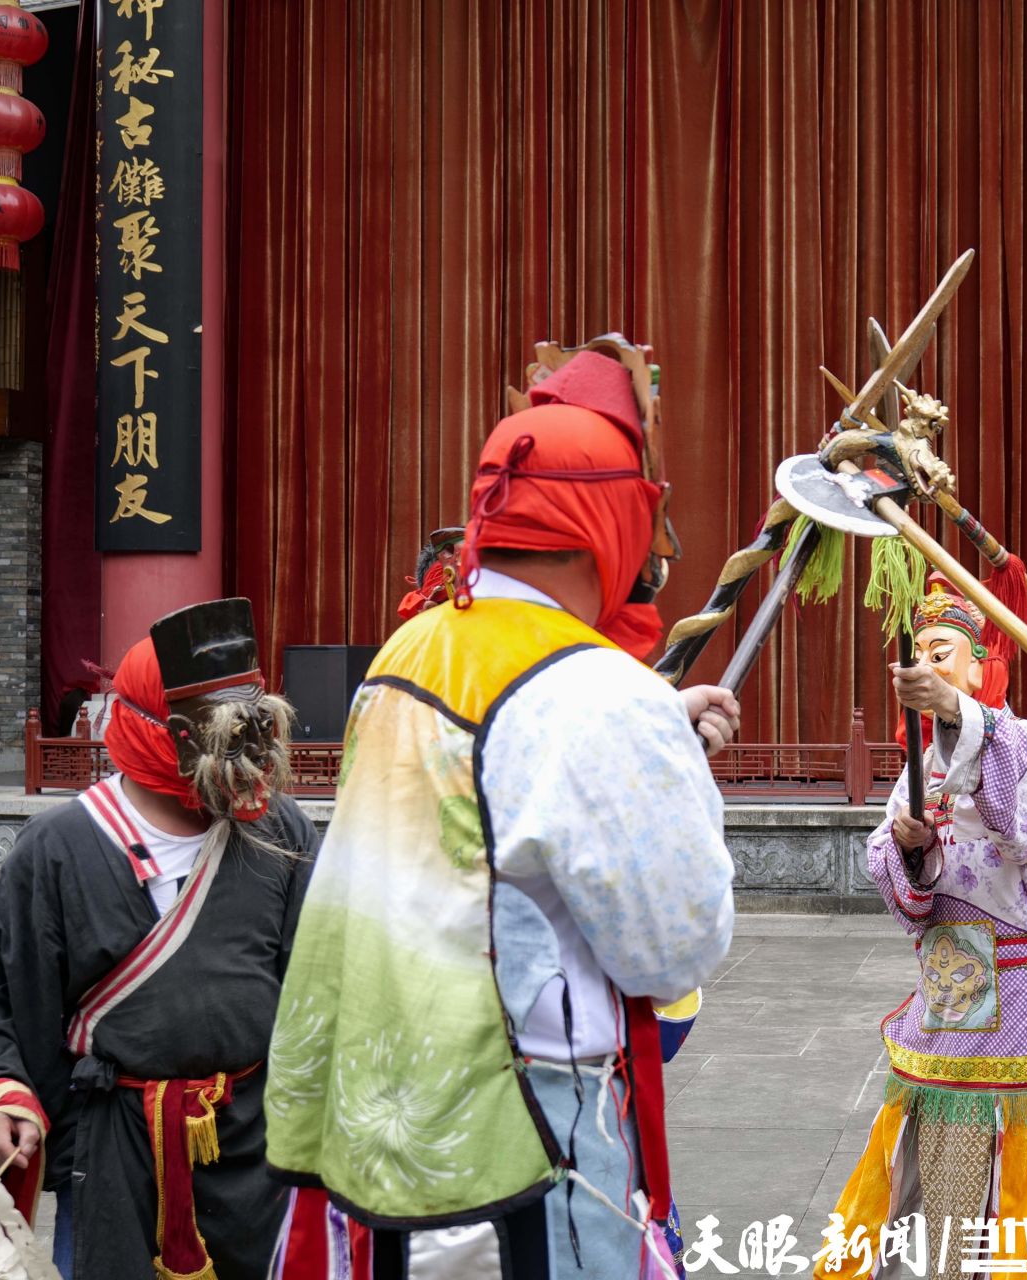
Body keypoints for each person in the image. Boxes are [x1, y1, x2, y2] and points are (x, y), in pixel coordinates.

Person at [264, 339, 739, 1279]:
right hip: (524, 1143)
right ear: (613, 520)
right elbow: (674, 944)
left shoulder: (407, 653)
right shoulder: (600, 692)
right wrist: (662, 766)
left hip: (384, 1118)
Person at [0, 598, 317, 1279]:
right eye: (223, 734)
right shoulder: (59, 847)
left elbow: (318, 991)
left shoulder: (280, 832)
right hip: (111, 1145)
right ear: (172, 734)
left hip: (253, 1143)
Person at [819, 576, 1027, 1280]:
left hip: (1015, 999)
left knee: (1014, 1175)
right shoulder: (920, 763)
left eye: (945, 652)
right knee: (936, 1169)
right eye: (920, 653)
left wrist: (965, 716)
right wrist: (911, 847)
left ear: (977, 665)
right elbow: (894, 875)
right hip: (945, 998)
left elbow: (1023, 833)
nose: (928, 666)